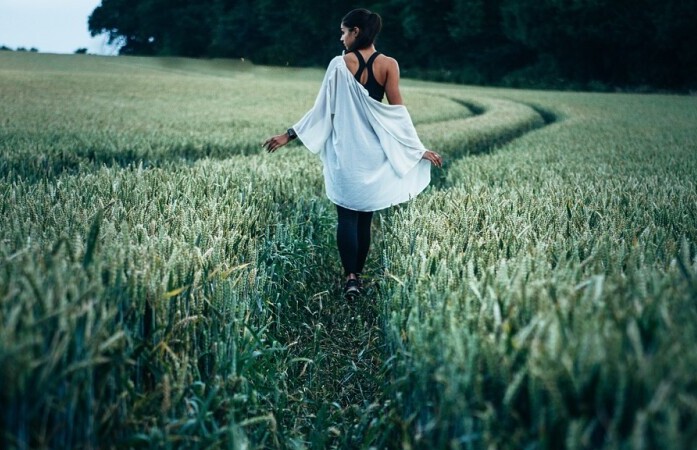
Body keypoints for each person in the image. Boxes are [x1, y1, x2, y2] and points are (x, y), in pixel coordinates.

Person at [263, 8, 442, 298]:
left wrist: (289, 134)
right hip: (373, 154)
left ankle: (350, 278)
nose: (341, 37)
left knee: (346, 216)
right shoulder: (389, 65)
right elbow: (397, 114)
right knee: (365, 217)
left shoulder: (338, 64)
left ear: (356, 31)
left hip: (345, 153)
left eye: (344, 31)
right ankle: (357, 278)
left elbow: (322, 109)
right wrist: (416, 150)